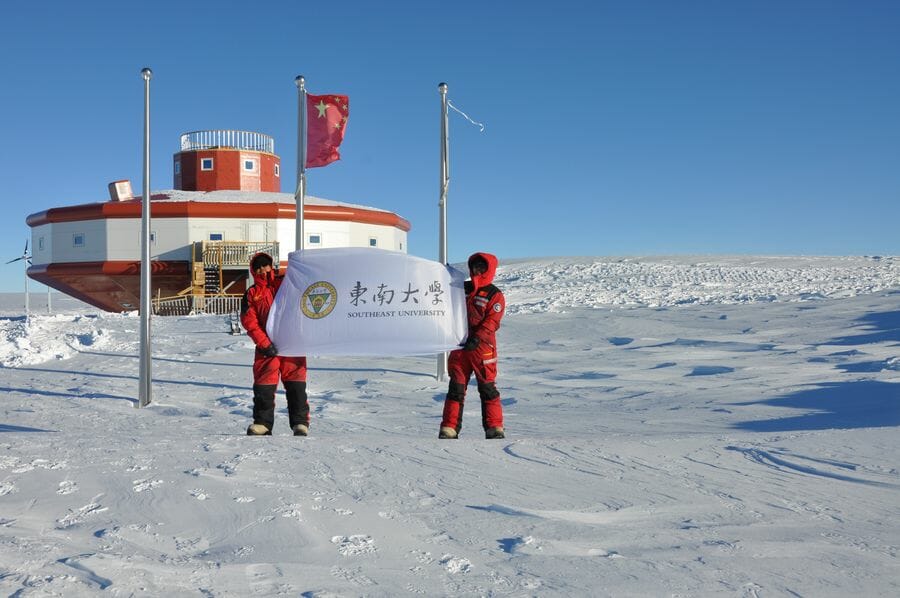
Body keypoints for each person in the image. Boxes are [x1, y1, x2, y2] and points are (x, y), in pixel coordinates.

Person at [241, 252, 310, 436]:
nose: (263, 269)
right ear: (253, 271)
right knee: (264, 386)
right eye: (258, 267)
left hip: (292, 345)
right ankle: (262, 424)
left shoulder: (286, 282)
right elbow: (250, 322)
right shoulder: (252, 293)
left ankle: (300, 423)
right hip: (267, 349)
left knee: (296, 386)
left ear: (272, 265)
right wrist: (264, 343)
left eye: (265, 265)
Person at [439, 252, 506, 439]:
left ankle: (494, 427)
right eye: (475, 266)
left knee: (487, 389)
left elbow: (492, 321)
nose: (478, 270)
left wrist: (477, 338)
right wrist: (442, 274)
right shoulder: (462, 288)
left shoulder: (495, 294)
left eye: (482, 267)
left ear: (489, 269)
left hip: (482, 350)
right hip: (460, 349)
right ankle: (449, 428)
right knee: (456, 389)